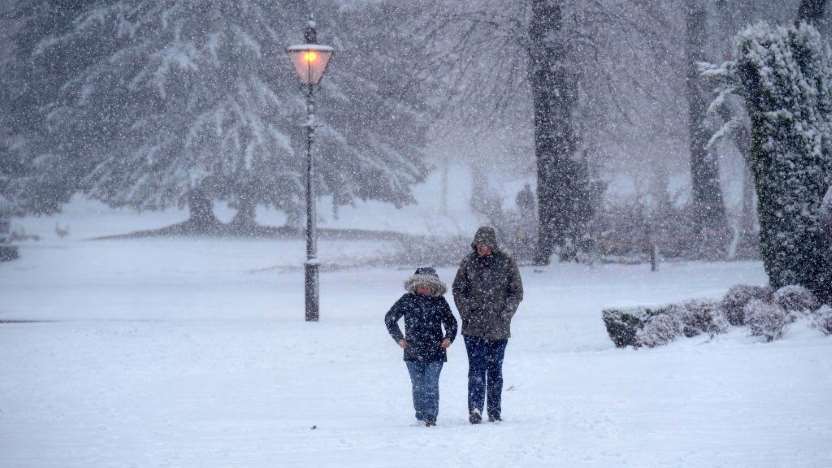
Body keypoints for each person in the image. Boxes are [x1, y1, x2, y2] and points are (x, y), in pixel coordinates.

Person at [453, 226, 523, 424]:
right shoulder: (468, 262)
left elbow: (516, 292)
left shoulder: (506, 262)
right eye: (479, 245)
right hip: (473, 328)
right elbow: (458, 290)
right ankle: (475, 409)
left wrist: (505, 314)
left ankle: (494, 411)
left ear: (492, 245)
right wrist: (467, 311)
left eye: (485, 245)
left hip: (498, 328)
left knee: (495, 371)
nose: (482, 249)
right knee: (476, 370)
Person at [385, 267, 458, 427]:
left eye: (427, 285)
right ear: (414, 285)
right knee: (418, 386)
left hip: (436, 351)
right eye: (420, 285)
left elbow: (451, 323)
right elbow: (390, 319)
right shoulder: (407, 300)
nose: (424, 288)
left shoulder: (439, 302)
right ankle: (420, 415)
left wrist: (448, 338)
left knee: (431, 384)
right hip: (412, 351)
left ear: (434, 287)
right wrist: (399, 338)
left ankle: (431, 417)